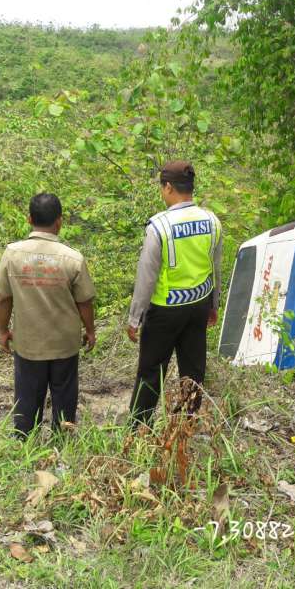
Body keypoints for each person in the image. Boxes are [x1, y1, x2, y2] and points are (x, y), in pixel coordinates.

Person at [127, 160, 223, 427]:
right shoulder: (212, 221)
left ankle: (138, 430)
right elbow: (216, 268)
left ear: (168, 187)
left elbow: (146, 277)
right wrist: (214, 304)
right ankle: (185, 426)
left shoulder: (159, 226)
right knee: (193, 371)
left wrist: (135, 318)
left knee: (150, 373)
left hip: (165, 310)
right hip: (199, 306)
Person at [0, 193, 97, 439]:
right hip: (64, 344)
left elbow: (3, 297)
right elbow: (85, 302)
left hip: (29, 343)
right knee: (64, 395)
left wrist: (2, 330)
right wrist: (90, 331)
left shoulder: (12, 254)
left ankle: (24, 441)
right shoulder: (72, 258)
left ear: (29, 219)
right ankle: (63, 442)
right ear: (60, 222)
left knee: (27, 395)